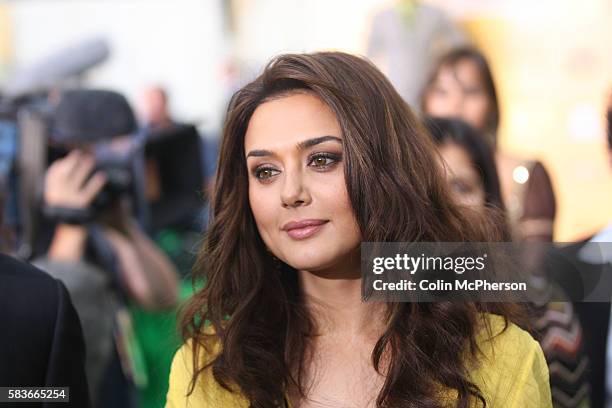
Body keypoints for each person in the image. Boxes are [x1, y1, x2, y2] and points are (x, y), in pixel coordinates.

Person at [165, 52, 551, 407]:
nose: (291, 193)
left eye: (322, 160)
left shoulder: (500, 359)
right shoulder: (210, 370)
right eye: (265, 171)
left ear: (387, 170)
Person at [425, 116, 591, 408]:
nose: (445, 204)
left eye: (461, 187)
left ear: (489, 199)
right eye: (427, 188)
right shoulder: (371, 309)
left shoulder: (544, 308)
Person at [421, 47, 557, 243]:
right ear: (425, 99)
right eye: (442, 92)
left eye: (471, 92)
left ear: (492, 103)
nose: (455, 103)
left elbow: (537, 266)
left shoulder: (525, 172)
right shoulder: (404, 167)